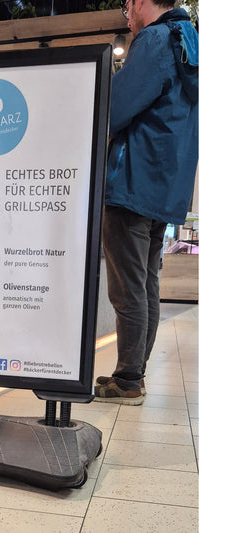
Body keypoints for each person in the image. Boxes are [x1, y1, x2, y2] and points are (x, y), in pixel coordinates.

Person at [94, 0, 198, 405]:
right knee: (146, 284)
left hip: (133, 182)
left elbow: (114, 108)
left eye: (127, 7)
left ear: (140, 2)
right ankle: (132, 371)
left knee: (127, 289)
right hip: (164, 187)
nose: (128, 16)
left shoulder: (155, 39)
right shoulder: (187, 40)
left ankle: (128, 379)